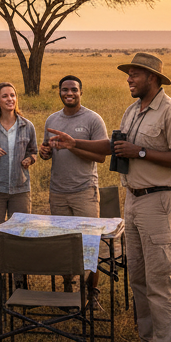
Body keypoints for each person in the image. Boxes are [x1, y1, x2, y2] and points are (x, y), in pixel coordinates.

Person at [46, 53, 171, 342]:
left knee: (160, 280)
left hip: (160, 201)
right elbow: (113, 147)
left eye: (135, 74)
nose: (129, 78)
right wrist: (75, 142)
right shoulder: (132, 111)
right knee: (139, 279)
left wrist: (140, 152)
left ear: (153, 78)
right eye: (128, 73)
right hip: (135, 200)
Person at [38, 74, 108, 309]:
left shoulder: (92, 120)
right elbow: (47, 150)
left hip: (84, 191)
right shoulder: (52, 119)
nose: (69, 93)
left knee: (90, 244)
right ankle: (68, 291)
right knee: (64, 244)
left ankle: (92, 294)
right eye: (65, 89)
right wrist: (44, 153)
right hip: (58, 191)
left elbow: (101, 156)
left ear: (81, 92)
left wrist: (73, 145)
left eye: (74, 90)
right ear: (59, 92)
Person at [0, 81, 38, 292]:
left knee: (21, 235)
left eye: (12, 95)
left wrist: (30, 159)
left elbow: (34, 151)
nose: (10, 99)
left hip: (20, 189)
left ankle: (20, 282)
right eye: (5, 96)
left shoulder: (26, 125)